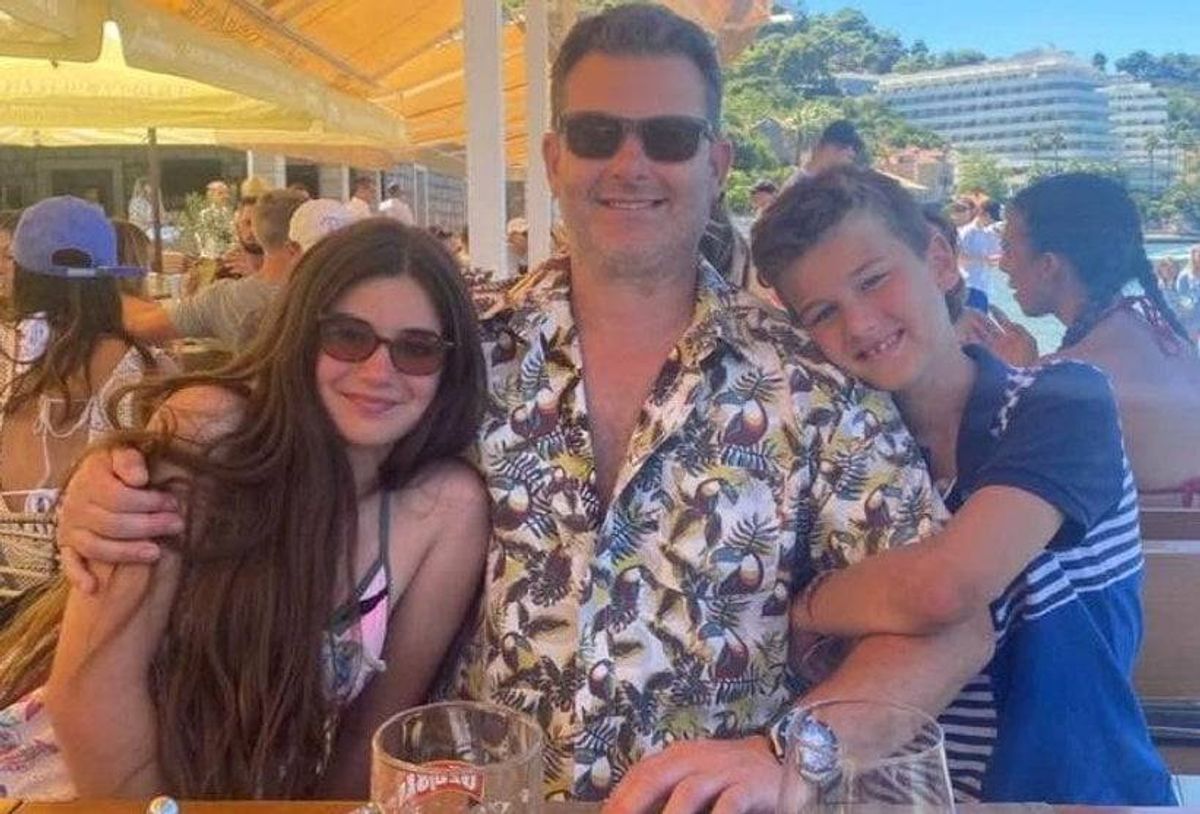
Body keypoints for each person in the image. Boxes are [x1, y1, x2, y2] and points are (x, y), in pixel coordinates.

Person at [55, 6, 990, 811]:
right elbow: (275, 441)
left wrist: (793, 755)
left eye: (667, 136)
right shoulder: (453, 351)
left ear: (716, 160)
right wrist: (116, 481)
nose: (632, 162)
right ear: (553, 157)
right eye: (596, 134)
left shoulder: (815, 390)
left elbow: (954, 625)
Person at [0, 219, 489, 800]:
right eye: (348, 336)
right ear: (300, 335)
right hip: (87, 787)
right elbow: (91, 685)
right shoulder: (210, 430)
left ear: (449, 366)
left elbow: (373, 741)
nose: (379, 372)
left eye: (417, 348)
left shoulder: (446, 509)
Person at [753, 166, 1175, 804]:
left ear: (942, 261)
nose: (861, 325)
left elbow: (947, 585)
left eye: (874, 280)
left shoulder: (1062, 401)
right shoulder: (836, 457)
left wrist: (801, 604)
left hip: (1074, 790)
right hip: (905, 791)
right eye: (823, 312)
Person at [0, 197, 168, 618]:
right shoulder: (150, 372)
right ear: (109, 280)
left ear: (18, 274)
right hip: (100, 613)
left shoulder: (6, 356)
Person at [994, 173, 1200, 504]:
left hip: (1151, 553)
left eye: (1007, 249)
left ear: (1048, 265)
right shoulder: (1166, 340)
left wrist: (1017, 381)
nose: (1002, 265)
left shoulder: (1065, 377)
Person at [121, 189, 307, 351]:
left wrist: (108, 280)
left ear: (259, 232)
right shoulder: (326, 294)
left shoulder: (222, 299)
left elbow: (136, 325)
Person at [785, 119, 869, 188]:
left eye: (855, 149)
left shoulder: (832, 185)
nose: (852, 154)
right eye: (843, 146)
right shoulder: (798, 185)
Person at [957, 199, 1001, 311]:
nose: (992, 223)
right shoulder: (967, 232)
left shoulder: (988, 233)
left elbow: (996, 256)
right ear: (984, 214)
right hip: (969, 285)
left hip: (983, 288)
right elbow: (958, 257)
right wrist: (984, 260)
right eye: (992, 219)